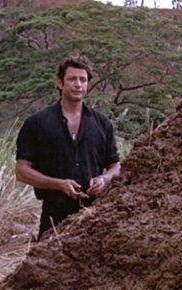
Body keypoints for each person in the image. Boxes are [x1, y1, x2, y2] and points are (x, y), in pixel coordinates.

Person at [15, 55, 121, 239]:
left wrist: (103, 180)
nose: (78, 84)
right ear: (60, 83)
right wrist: (59, 184)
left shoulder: (102, 124)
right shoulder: (37, 123)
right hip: (54, 217)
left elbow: (116, 166)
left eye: (83, 80)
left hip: (94, 218)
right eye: (72, 79)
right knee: (48, 257)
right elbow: (22, 171)